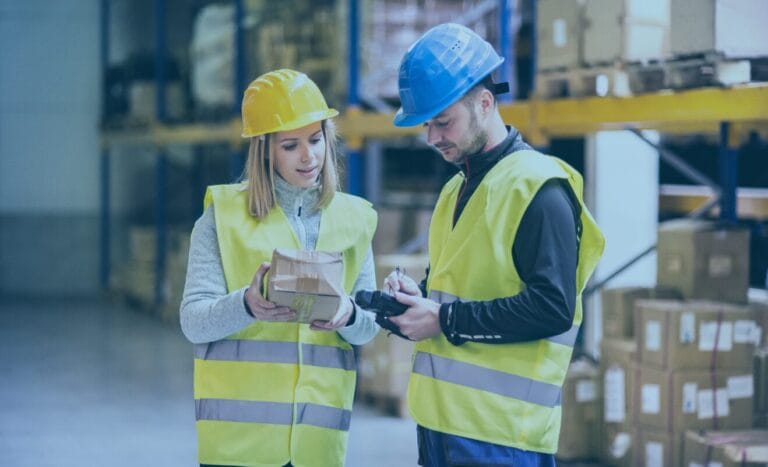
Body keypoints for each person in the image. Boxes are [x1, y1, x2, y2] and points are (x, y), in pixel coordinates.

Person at [382, 23, 606, 466]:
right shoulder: (453, 192)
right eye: (427, 124)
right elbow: (454, 289)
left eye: (443, 122)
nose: (432, 138)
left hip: (503, 438)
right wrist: (417, 301)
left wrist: (444, 319)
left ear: (484, 103)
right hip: (441, 425)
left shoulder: (539, 189)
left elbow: (552, 308)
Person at [180, 69, 379, 467]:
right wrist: (248, 306)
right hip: (240, 446)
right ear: (264, 149)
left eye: (316, 139)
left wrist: (349, 315)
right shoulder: (222, 219)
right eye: (291, 145)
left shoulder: (354, 219)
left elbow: (368, 328)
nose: (309, 157)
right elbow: (193, 322)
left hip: (317, 446)